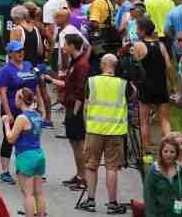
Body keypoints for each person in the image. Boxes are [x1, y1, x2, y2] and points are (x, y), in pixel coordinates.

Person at [79, 53, 128, 214]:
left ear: (103, 64)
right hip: (115, 132)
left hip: (94, 131)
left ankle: (90, 201)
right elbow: (133, 96)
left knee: (91, 166)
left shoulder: (91, 82)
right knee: (112, 167)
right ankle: (112, 203)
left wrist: (87, 128)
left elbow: (85, 108)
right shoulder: (123, 84)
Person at [43, 32, 89, 190]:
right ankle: (79, 175)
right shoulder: (74, 62)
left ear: (72, 46)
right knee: (73, 143)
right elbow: (68, 84)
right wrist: (51, 80)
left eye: (65, 44)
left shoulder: (82, 65)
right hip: (70, 108)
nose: (62, 47)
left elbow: (81, 91)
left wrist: (75, 111)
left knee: (79, 144)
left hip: (76, 110)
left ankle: (84, 178)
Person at [0, 40, 39, 182]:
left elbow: (35, 86)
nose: (21, 53)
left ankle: (26, 168)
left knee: (28, 139)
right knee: (9, 139)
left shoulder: (28, 65)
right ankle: (5, 171)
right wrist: (8, 113)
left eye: (22, 50)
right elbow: (2, 93)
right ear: (10, 54)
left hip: (28, 109)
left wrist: (38, 105)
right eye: (17, 51)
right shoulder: (5, 71)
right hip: (12, 109)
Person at [132, 15, 174, 159]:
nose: (136, 31)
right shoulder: (160, 45)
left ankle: (147, 151)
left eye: (138, 29)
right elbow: (168, 66)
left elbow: (135, 66)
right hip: (161, 84)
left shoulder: (138, 45)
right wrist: (172, 84)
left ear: (143, 30)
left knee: (144, 120)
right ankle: (170, 148)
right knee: (164, 119)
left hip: (145, 85)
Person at [1, 89, 45, 217]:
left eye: (16, 97)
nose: (14, 100)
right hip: (38, 154)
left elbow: (10, 139)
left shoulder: (22, 118)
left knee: (27, 194)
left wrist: (6, 124)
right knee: (39, 192)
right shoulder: (37, 115)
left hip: (25, 156)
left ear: (21, 99)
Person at [142, 136, 182, 217]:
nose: (168, 155)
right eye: (165, 151)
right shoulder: (154, 171)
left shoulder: (181, 172)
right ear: (161, 152)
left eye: (172, 152)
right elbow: (149, 198)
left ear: (176, 154)